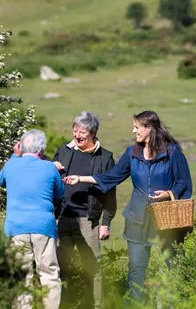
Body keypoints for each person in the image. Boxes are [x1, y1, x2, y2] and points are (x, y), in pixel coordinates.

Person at [63, 110, 192, 303]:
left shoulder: (172, 153)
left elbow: (184, 183)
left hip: (167, 219)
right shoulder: (132, 153)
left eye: (137, 127)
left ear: (149, 129)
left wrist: (169, 193)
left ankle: (176, 304)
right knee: (136, 268)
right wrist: (81, 178)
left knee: (173, 263)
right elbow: (111, 177)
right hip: (137, 218)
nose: (134, 131)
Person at [50, 111, 117, 309]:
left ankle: (96, 306)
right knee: (62, 268)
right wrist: (52, 166)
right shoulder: (64, 150)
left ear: (93, 134)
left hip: (89, 220)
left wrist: (106, 222)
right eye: (75, 131)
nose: (77, 136)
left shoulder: (105, 158)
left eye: (82, 133)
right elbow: (51, 181)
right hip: (63, 217)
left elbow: (110, 192)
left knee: (93, 268)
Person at [0, 129, 66, 309]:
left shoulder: (11, 165)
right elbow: (60, 192)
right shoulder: (49, 167)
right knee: (49, 274)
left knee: (21, 275)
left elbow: (0, 181)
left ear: (20, 146)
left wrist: (14, 156)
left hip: (16, 227)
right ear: (42, 149)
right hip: (43, 227)